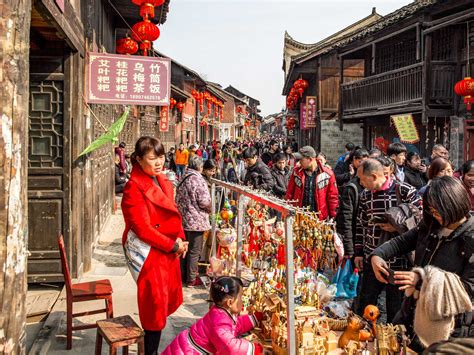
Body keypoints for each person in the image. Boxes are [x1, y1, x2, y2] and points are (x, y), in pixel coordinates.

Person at [370, 176, 473, 351]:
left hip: (447, 325)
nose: (435, 214)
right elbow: (402, 242)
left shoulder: (470, 237)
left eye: (439, 210)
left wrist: (423, 281)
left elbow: (469, 288)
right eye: (431, 210)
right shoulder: (430, 224)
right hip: (411, 313)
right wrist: (378, 255)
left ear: (454, 204)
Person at [121, 136, 188, 354]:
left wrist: (180, 239)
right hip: (150, 253)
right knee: (153, 310)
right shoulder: (133, 188)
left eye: (161, 157)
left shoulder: (161, 180)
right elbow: (143, 229)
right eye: (152, 158)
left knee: (160, 306)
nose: (159, 162)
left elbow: (173, 215)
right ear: (139, 160)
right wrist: (173, 245)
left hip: (166, 249)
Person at [354, 159, 421, 322]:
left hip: (399, 263)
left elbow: (422, 219)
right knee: (365, 303)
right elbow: (361, 225)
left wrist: (398, 227)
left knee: (396, 309)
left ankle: (393, 343)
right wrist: (358, 253)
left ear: (374, 176)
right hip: (372, 256)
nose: (361, 184)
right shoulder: (365, 196)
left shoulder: (405, 190)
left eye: (363, 179)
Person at [162, 276, 264, 354]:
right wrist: (255, 349)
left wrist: (254, 318)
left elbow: (235, 325)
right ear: (229, 302)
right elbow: (231, 347)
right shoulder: (219, 323)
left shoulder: (220, 313)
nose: (242, 301)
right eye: (241, 297)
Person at [176, 155, 211, 288]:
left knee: (184, 248)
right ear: (199, 167)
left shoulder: (183, 177)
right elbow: (204, 201)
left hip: (184, 218)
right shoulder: (198, 179)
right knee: (194, 251)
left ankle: (183, 276)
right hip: (196, 220)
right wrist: (210, 208)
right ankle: (191, 279)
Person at [286, 146, 338, 220]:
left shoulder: (327, 174)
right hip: (299, 216)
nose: (299, 162)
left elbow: (332, 198)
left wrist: (333, 217)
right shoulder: (296, 172)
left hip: (319, 218)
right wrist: (287, 211)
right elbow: (289, 194)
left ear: (310, 159)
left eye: (301, 160)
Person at [335, 148, 369, 257]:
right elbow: (346, 219)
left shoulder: (374, 189)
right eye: (360, 162)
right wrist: (349, 248)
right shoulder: (352, 188)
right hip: (355, 238)